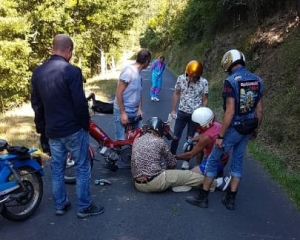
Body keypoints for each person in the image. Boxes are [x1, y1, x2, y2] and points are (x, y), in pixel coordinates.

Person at [31, 34, 104, 218]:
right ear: (69, 50)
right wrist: (85, 126)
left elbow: (37, 105)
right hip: (73, 129)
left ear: (52, 48)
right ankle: (84, 207)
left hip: (53, 131)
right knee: (82, 166)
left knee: (57, 168)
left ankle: (61, 205)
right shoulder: (72, 71)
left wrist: (42, 131)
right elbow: (79, 104)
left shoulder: (38, 72)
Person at [186, 49, 264, 210]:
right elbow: (260, 111)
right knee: (237, 162)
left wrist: (220, 136)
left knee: (213, 161)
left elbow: (230, 112)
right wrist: (255, 130)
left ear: (228, 63)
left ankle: (203, 197)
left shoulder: (231, 81)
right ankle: (230, 200)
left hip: (233, 128)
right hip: (248, 129)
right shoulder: (258, 80)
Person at [131, 117, 231, 193]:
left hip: (138, 185)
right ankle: (218, 183)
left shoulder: (138, 140)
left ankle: (177, 183)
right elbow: (172, 163)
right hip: (154, 183)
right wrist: (172, 161)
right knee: (187, 175)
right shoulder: (159, 141)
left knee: (162, 169)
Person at [170, 60, 209, 170]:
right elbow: (176, 93)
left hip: (195, 115)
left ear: (199, 75)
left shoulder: (204, 82)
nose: (190, 79)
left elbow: (205, 100)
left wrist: (203, 116)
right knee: (175, 136)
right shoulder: (181, 79)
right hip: (182, 112)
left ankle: (185, 161)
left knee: (190, 139)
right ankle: (171, 158)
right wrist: (173, 110)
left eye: (194, 77)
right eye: (189, 76)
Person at [176, 107, 230, 179]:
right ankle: (211, 171)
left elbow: (190, 154)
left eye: (197, 124)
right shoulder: (217, 124)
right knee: (199, 146)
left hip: (215, 162)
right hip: (223, 158)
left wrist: (175, 157)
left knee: (188, 176)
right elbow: (203, 135)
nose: (196, 126)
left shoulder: (206, 138)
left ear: (203, 123)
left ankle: (219, 182)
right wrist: (191, 140)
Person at [113, 48, 152, 141]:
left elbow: (139, 92)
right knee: (121, 141)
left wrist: (139, 109)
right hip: (122, 111)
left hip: (134, 112)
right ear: (146, 62)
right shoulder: (129, 71)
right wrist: (123, 113)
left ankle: (133, 155)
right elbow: (119, 92)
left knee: (139, 138)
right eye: (149, 62)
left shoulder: (139, 74)